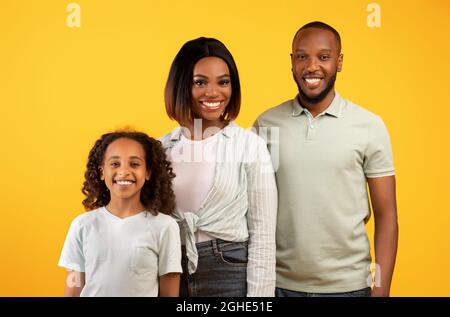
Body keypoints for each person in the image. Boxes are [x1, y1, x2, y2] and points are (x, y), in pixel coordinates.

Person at [254, 22, 398, 297]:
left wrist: (380, 289)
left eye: (323, 56)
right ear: (292, 62)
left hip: (350, 288)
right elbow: (252, 209)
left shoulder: (369, 126)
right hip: (279, 286)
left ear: (339, 61)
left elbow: (387, 215)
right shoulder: (266, 124)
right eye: (302, 56)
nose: (311, 67)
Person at [160, 37, 278, 297]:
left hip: (230, 271)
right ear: (181, 85)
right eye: (200, 82)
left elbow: (264, 236)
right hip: (170, 271)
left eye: (223, 82)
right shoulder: (160, 149)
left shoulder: (249, 146)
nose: (213, 93)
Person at [58, 131, 182, 297]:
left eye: (134, 164)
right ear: (102, 172)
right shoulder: (82, 225)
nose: (124, 171)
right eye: (115, 164)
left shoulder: (165, 227)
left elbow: (169, 293)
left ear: (148, 172)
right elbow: (73, 287)